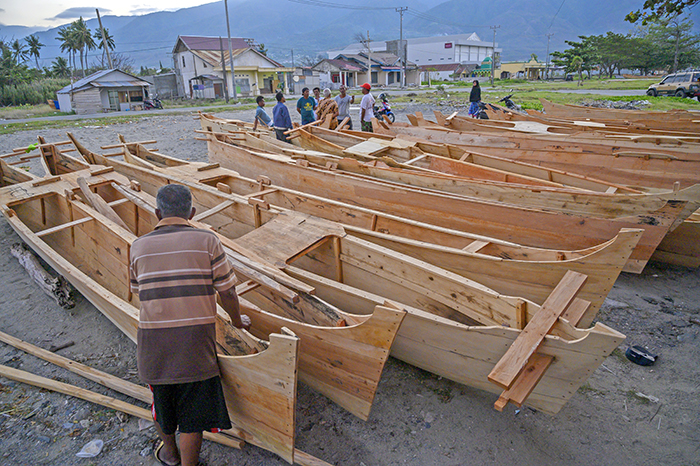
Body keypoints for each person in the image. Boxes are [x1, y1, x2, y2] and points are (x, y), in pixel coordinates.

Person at [129, 184, 250, 466]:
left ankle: (169, 454)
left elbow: (138, 291)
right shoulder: (208, 241)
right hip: (194, 342)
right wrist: (236, 322)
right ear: (192, 213)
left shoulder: (138, 246)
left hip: (152, 343)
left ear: (157, 213)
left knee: (163, 404)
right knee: (192, 416)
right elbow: (228, 291)